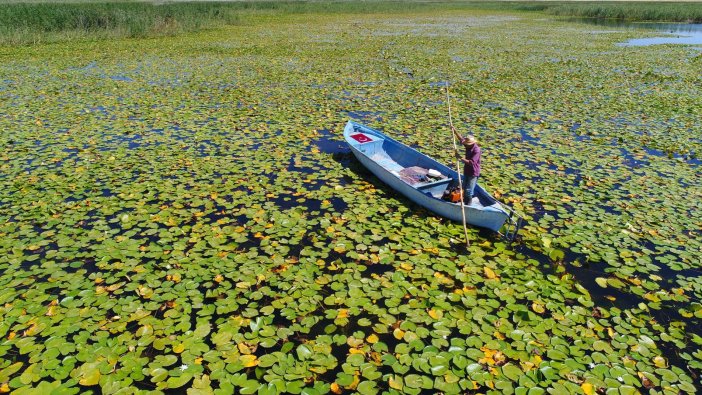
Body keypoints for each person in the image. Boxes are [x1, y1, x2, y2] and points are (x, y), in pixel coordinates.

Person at [451, 126, 481, 204]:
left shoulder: (476, 150)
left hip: (473, 172)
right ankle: (463, 201)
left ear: (472, 143)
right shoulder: (467, 145)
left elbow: (472, 163)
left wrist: (460, 158)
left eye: (468, 144)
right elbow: (461, 139)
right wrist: (454, 130)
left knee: (468, 191)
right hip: (466, 170)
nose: (465, 145)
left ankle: (468, 204)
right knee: (463, 187)